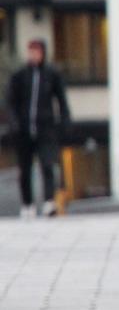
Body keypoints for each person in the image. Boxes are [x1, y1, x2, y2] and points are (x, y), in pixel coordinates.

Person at [5, 39, 69, 219]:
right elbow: (11, 102)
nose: (33, 55)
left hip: (45, 128)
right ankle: (27, 204)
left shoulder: (51, 75)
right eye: (31, 51)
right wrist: (15, 124)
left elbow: (61, 100)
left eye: (37, 52)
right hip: (24, 130)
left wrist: (64, 121)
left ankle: (49, 202)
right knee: (24, 169)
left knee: (47, 165)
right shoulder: (19, 76)